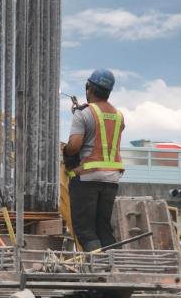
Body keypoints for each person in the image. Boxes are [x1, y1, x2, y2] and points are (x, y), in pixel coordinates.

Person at [63, 69, 125, 252]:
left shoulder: (83, 114)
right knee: (103, 228)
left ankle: (98, 269)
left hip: (87, 176)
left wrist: (65, 151)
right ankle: (114, 266)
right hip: (112, 178)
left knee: (85, 230)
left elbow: (74, 146)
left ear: (88, 88)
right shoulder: (119, 116)